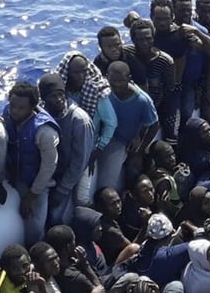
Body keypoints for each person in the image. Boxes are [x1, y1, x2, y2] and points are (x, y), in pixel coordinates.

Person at [3, 81, 60, 246]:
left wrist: (32, 195)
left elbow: (49, 166)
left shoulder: (45, 132)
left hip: (38, 181)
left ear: (32, 107)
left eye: (21, 108)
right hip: (16, 175)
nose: (14, 111)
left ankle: (36, 247)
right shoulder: (7, 114)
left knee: (34, 229)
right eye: (12, 105)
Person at [38, 73, 94, 227]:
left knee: (57, 216)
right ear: (43, 99)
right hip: (57, 169)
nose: (58, 99)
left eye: (61, 94)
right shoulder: (42, 114)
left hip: (80, 166)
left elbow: (79, 161)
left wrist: (62, 190)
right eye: (53, 96)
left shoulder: (79, 120)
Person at [102, 61, 159, 194]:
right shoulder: (105, 92)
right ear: (107, 78)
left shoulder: (143, 101)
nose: (117, 85)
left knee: (133, 174)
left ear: (129, 78)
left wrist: (140, 150)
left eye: (121, 81)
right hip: (112, 140)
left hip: (132, 144)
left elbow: (154, 125)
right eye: (113, 81)